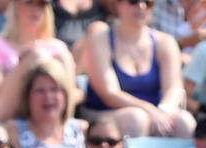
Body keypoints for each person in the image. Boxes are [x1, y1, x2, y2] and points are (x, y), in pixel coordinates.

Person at [81, 0, 195, 138]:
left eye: (148, 3)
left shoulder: (165, 42)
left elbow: (174, 89)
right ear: (118, 4)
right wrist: (149, 111)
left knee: (184, 122)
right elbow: (109, 94)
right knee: (136, 119)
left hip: (155, 113)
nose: (141, 6)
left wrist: (163, 111)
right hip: (104, 113)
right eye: (133, 1)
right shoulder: (99, 39)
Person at [0, 0, 76, 123]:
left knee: (56, 58)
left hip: (47, 121)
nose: (36, 9)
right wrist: (26, 64)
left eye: (41, 5)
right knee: (36, 56)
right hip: (7, 120)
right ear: (14, 6)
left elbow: (71, 94)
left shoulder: (59, 48)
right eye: (29, 2)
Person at [5, 57, 86, 148]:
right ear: (28, 96)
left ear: (65, 95)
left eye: (54, 89)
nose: (48, 97)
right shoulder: (13, 130)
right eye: (40, 91)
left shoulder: (82, 129)